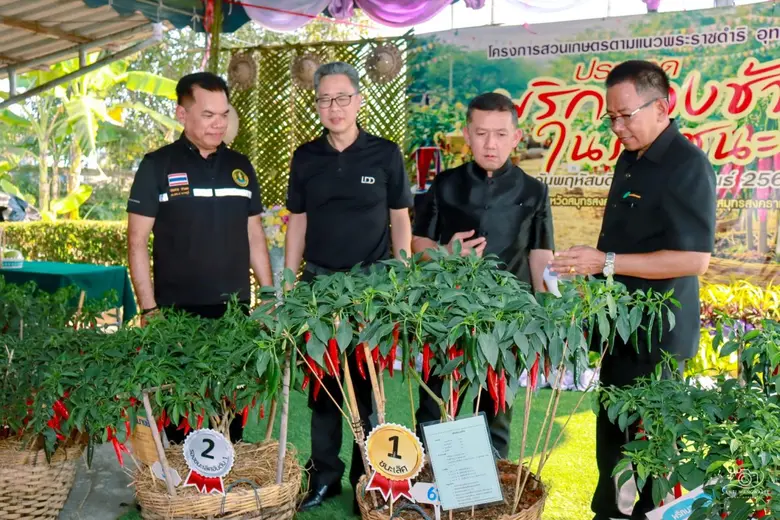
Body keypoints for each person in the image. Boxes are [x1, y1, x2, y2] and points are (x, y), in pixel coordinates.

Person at [549, 60, 716, 520]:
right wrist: (591, 271)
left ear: (662, 107)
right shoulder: (632, 158)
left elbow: (694, 259)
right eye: (611, 117)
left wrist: (605, 262)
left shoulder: (686, 165)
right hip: (623, 333)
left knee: (646, 461)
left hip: (658, 342)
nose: (617, 127)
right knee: (613, 452)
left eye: (626, 115)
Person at [284, 61, 413, 513]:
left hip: (371, 290)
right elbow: (296, 222)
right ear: (316, 103)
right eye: (324, 99)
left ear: (358, 101)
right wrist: (288, 281)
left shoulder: (385, 154)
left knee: (368, 386)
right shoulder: (306, 157)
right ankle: (324, 477)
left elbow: (400, 218)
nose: (333, 107)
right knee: (323, 389)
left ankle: (369, 478)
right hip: (318, 290)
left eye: (342, 98)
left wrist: (402, 275)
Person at [126, 72, 274, 442]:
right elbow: (136, 241)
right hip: (176, 314)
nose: (218, 123)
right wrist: (148, 310)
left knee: (230, 412)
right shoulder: (156, 165)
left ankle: (225, 495)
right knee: (180, 414)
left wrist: (270, 297)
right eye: (208, 115)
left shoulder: (241, 167)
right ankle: (180, 496)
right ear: (182, 113)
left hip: (234, 311)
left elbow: (255, 235)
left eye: (223, 114)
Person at [412, 92, 555, 459]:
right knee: (434, 407)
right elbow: (416, 243)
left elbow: (541, 254)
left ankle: (493, 503)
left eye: (500, 134)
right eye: (481, 133)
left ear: (516, 137)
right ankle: (426, 492)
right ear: (467, 133)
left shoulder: (535, 191)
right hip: (447, 318)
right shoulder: (445, 185)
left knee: (495, 413)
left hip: (506, 323)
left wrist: (550, 313)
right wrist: (445, 253)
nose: (490, 144)